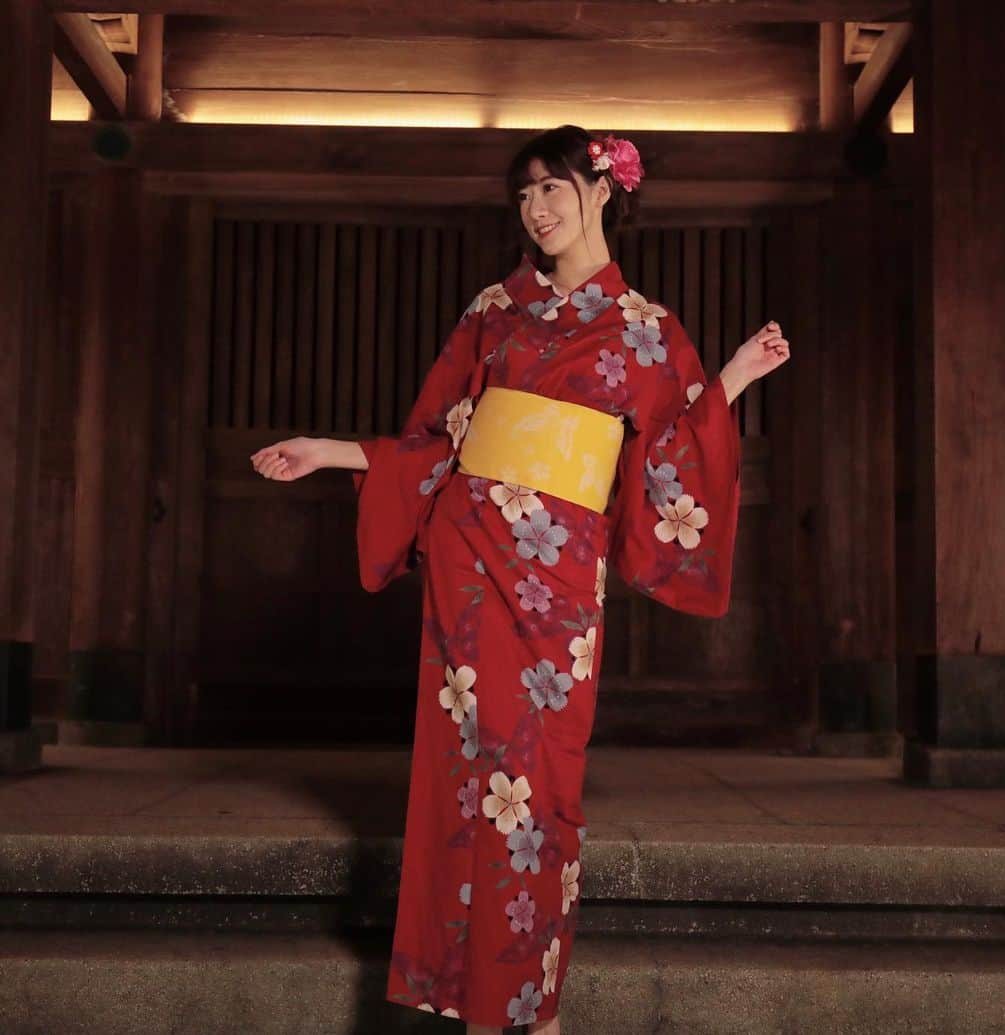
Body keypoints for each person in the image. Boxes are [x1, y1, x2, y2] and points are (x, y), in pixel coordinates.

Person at [251, 125, 789, 1034]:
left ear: (603, 189)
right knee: (469, 770)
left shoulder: (648, 330)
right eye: (525, 194)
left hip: (561, 576)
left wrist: (731, 375)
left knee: (542, 783)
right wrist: (327, 451)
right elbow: (434, 439)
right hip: (470, 557)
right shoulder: (493, 310)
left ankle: (526, 1000)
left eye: (552, 188)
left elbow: (670, 453)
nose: (536, 209)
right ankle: (461, 988)